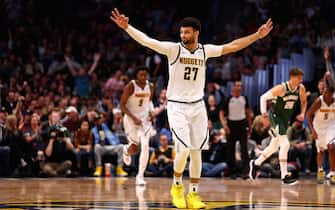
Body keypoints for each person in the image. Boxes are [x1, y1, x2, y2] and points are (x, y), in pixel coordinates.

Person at [111, 8, 272, 208]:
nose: (183, 35)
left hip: (198, 106)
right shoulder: (173, 50)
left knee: (196, 152)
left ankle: (193, 194)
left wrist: (257, 35)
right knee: (185, 149)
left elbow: (232, 46)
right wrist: (128, 28)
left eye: (187, 32)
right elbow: (148, 41)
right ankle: (177, 186)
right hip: (177, 106)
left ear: (196, 33)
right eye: (181, 32)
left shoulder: (205, 51)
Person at [249, 68, 307, 185]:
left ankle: (255, 163)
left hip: (285, 119)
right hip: (275, 117)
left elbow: (304, 101)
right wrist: (263, 112)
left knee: (274, 147)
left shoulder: (301, 88)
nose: (301, 80)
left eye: (302, 78)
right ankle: (284, 176)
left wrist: (302, 113)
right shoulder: (281, 88)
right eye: (299, 78)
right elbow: (263, 97)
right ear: (292, 77)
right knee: (285, 144)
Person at [120, 66, 155, 185]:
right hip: (130, 119)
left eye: (145, 75)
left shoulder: (150, 86)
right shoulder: (131, 86)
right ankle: (125, 150)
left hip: (144, 120)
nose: (144, 77)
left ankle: (140, 176)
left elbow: (149, 102)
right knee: (134, 148)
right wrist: (133, 118)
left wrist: (151, 112)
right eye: (141, 75)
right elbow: (122, 105)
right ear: (136, 76)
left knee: (145, 146)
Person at [306, 85, 335, 184]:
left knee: (331, 147)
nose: (325, 94)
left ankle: (332, 173)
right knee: (321, 151)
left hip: (331, 127)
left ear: (332, 94)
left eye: (328, 93)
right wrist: (312, 130)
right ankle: (320, 170)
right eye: (324, 92)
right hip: (318, 127)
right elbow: (308, 115)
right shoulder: (319, 101)